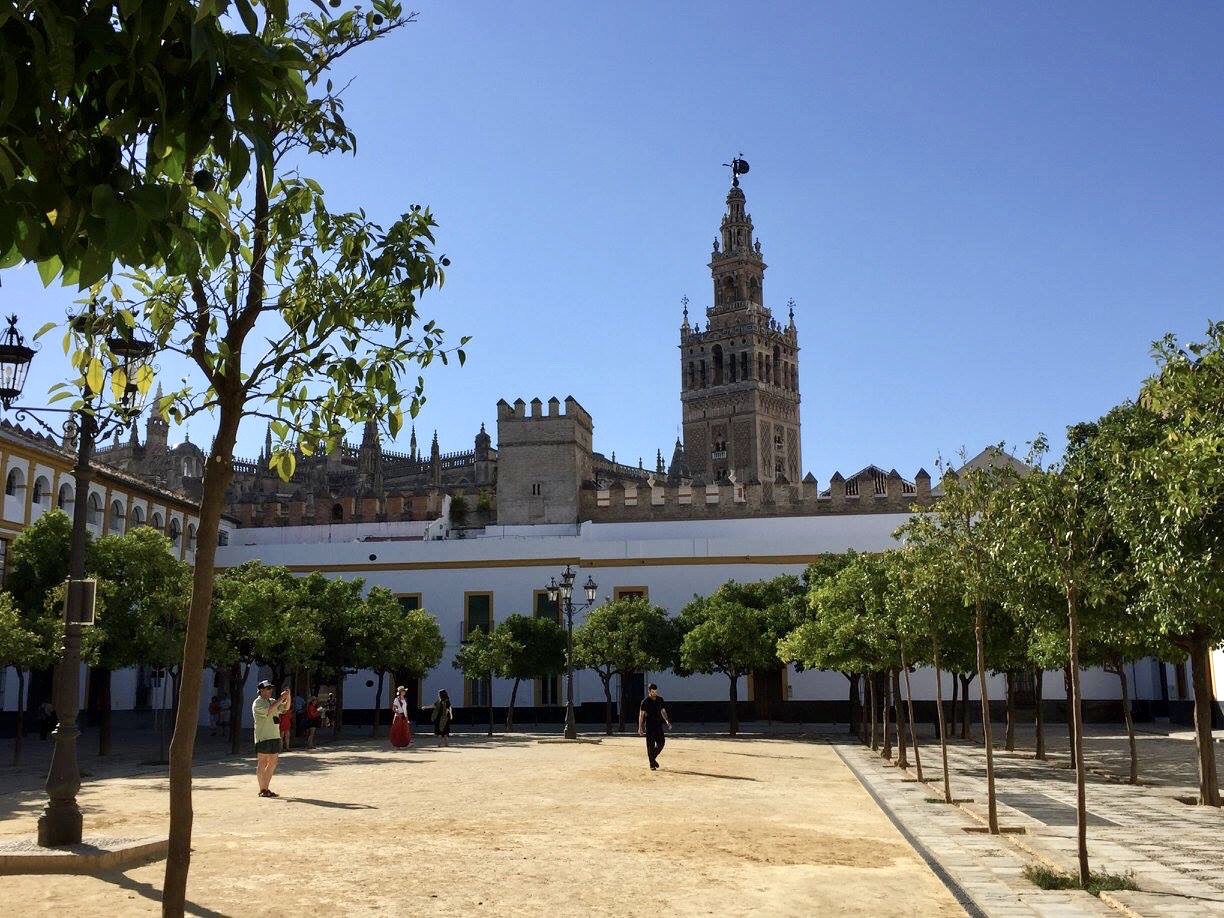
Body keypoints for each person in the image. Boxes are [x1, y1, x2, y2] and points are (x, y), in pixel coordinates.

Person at [253, 680, 291, 798]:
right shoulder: (258, 703)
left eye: (271, 688)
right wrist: (281, 699)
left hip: (274, 735)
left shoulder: (272, 701)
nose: (270, 690)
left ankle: (266, 788)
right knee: (262, 762)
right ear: (261, 690)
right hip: (263, 737)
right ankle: (262, 789)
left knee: (273, 762)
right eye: (268, 688)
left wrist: (288, 697)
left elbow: (285, 709)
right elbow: (269, 710)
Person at [638, 683, 672, 770]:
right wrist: (640, 727)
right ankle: (652, 764)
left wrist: (667, 721)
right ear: (649, 691)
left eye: (655, 691)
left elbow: (663, 711)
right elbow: (641, 715)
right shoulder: (645, 702)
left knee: (661, 743)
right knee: (650, 745)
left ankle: (652, 759)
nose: (654, 693)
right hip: (649, 725)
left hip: (658, 725)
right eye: (653, 692)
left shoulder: (660, 699)